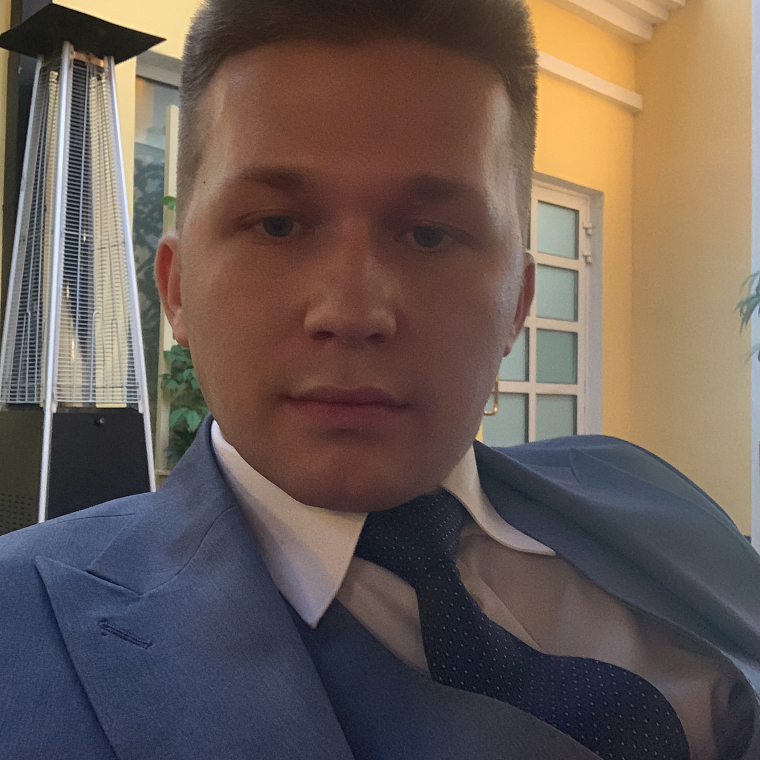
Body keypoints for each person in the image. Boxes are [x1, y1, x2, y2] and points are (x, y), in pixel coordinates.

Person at [1, 0, 759, 757]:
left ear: (518, 304)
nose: (352, 311)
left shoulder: (637, 485)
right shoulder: (20, 629)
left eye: (429, 235)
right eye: (277, 225)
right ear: (176, 290)